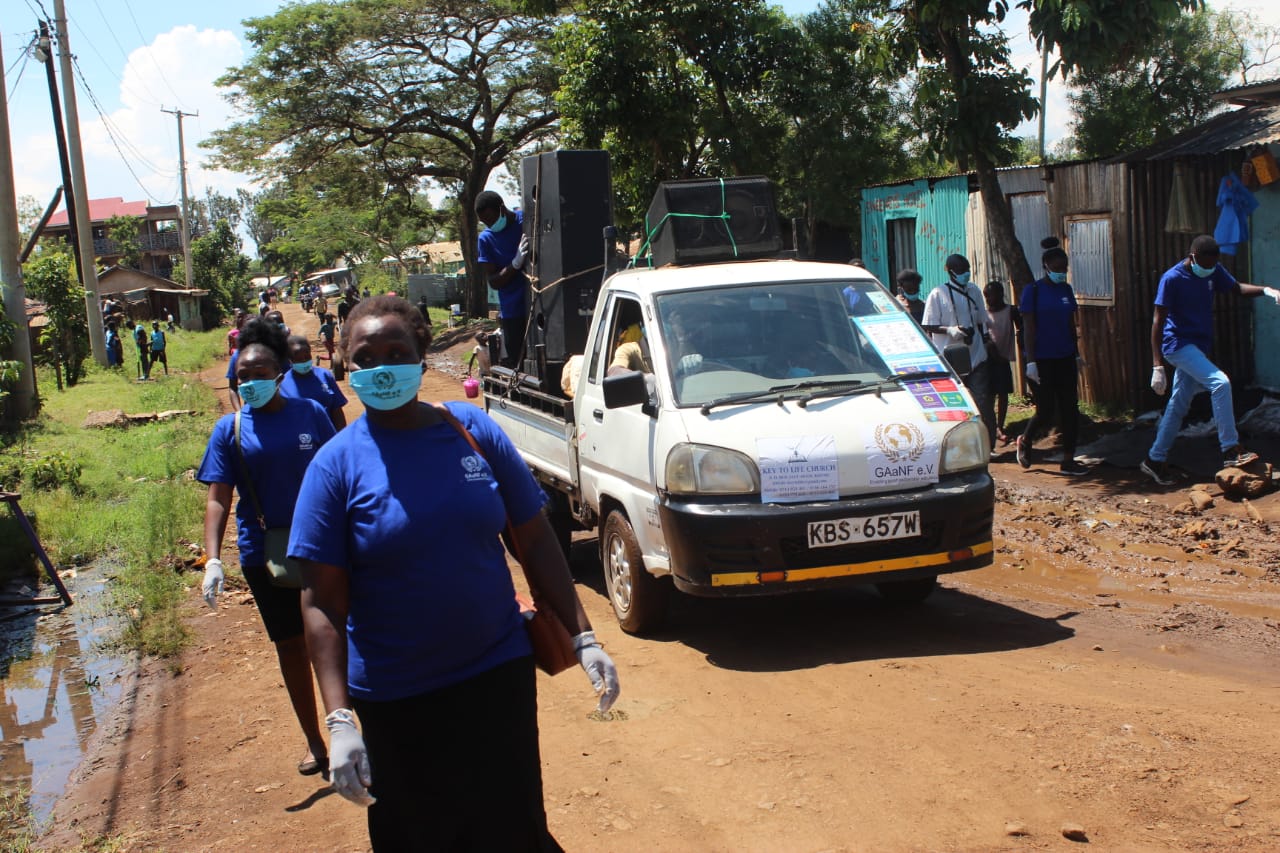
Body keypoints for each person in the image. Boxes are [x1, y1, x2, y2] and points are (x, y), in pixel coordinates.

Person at [289, 295, 619, 850]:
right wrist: (339, 718)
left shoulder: (473, 431)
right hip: (396, 697)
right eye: (367, 358)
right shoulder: (334, 466)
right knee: (420, 835)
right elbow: (320, 601)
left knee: (512, 827)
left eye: (397, 351)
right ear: (346, 366)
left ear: (422, 354)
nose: (383, 367)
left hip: (496, 674)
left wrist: (583, 635)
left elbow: (534, 537)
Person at [197, 318, 337, 778]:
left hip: (322, 547)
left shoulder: (311, 414)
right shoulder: (230, 430)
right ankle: (315, 743)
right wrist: (213, 557)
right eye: (242, 377)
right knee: (292, 647)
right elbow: (219, 497)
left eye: (260, 373)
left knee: (336, 641)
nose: (251, 383)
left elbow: (340, 474)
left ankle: (348, 730)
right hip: (266, 554)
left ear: (279, 372)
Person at [1140, 235, 1280, 485]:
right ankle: (1230, 449)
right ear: (1192, 257)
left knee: (1178, 405)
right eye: (1205, 264)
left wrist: (1267, 290)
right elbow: (1157, 321)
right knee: (1220, 383)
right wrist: (1157, 365)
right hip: (1178, 345)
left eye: (1213, 265)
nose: (1209, 269)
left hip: (1197, 346)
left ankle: (1154, 460)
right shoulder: (1172, 278)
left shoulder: (1213, 270)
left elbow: (1236, 288)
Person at [1016, 242, 1088, 474]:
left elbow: (1070, 324)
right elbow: (1028, 327)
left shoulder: (1065, 290)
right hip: (1042, 360)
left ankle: (1068, 459)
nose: (1061, 271)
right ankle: (1025, 440)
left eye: (1064, 267)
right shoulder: (1033, 291)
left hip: (1065, 356)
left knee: (1070, 409)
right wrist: (1031, 362)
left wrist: (1076, 354)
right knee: (1045, 410)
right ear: (1046, 266)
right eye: (1057, 267)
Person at [921, 253, 997, 449]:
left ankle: (988, 446)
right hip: (951, 357)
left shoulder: (974, 291)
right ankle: (955, 447)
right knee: (954, 405)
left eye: (967, 270)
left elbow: (982, 320)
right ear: (951, 272)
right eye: (961, 271)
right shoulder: (938, 294)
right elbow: (928, 325)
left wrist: (985, 339)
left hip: (976, 353)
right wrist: (950, 330)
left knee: (983, 402)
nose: (966, 274)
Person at [475, 191, 530, 368]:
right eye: (485, 222)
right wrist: (514, 264)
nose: (490, 224)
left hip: (543, 303)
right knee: (519, 363)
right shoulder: (486, 239)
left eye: (491, 218)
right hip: (514, 311)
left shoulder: (527, 221)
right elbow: (494, 281)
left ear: (502, 208)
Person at [280, 335, 348, 430]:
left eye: (307, 356)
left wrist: (340, 437)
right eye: (298, 359)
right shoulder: (282, 384)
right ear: (289, 359)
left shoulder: (324, 375)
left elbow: (337, 410)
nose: (304, 361)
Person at [983, 280, 1021, 448]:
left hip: (1004, 359)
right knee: (990, 395)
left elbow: (1021, 328)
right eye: (987, 296)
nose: (990, 299)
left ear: (1001, 294)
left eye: (992, 295)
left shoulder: (1011, 311)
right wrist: (993, 352)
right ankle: (992, 428)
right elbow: (984, 337)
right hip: (989, 360)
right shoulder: (983, 315)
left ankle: (1000, 426)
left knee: (1003, 394)